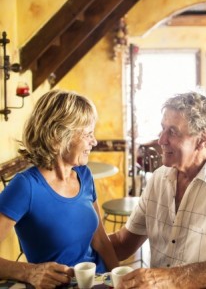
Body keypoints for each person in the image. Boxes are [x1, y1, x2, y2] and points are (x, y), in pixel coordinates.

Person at [110, 90, 206, 289]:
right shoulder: (158, 178)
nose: (161, 140)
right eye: (162, 129)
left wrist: (169, 279)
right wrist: (65, 250)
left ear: (202, 139)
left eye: (172, 132)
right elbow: (124, 243)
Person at [0, 89, 119, 288]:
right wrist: (29, 272)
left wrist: (118, 280)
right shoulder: (25, 186)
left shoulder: (84, 175)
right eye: (88, 134)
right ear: (58, 137)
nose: (94, 141)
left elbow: (100, 240)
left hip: (96, 282)